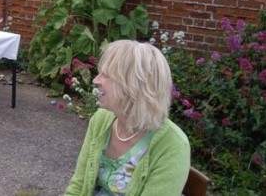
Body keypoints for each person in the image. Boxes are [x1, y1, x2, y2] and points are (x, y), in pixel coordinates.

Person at [64, 40, 190, 195]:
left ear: (133, 86)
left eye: (106, 75)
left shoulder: (173, 145)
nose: (96, 80)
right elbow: (77, 186)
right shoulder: (101, 120)